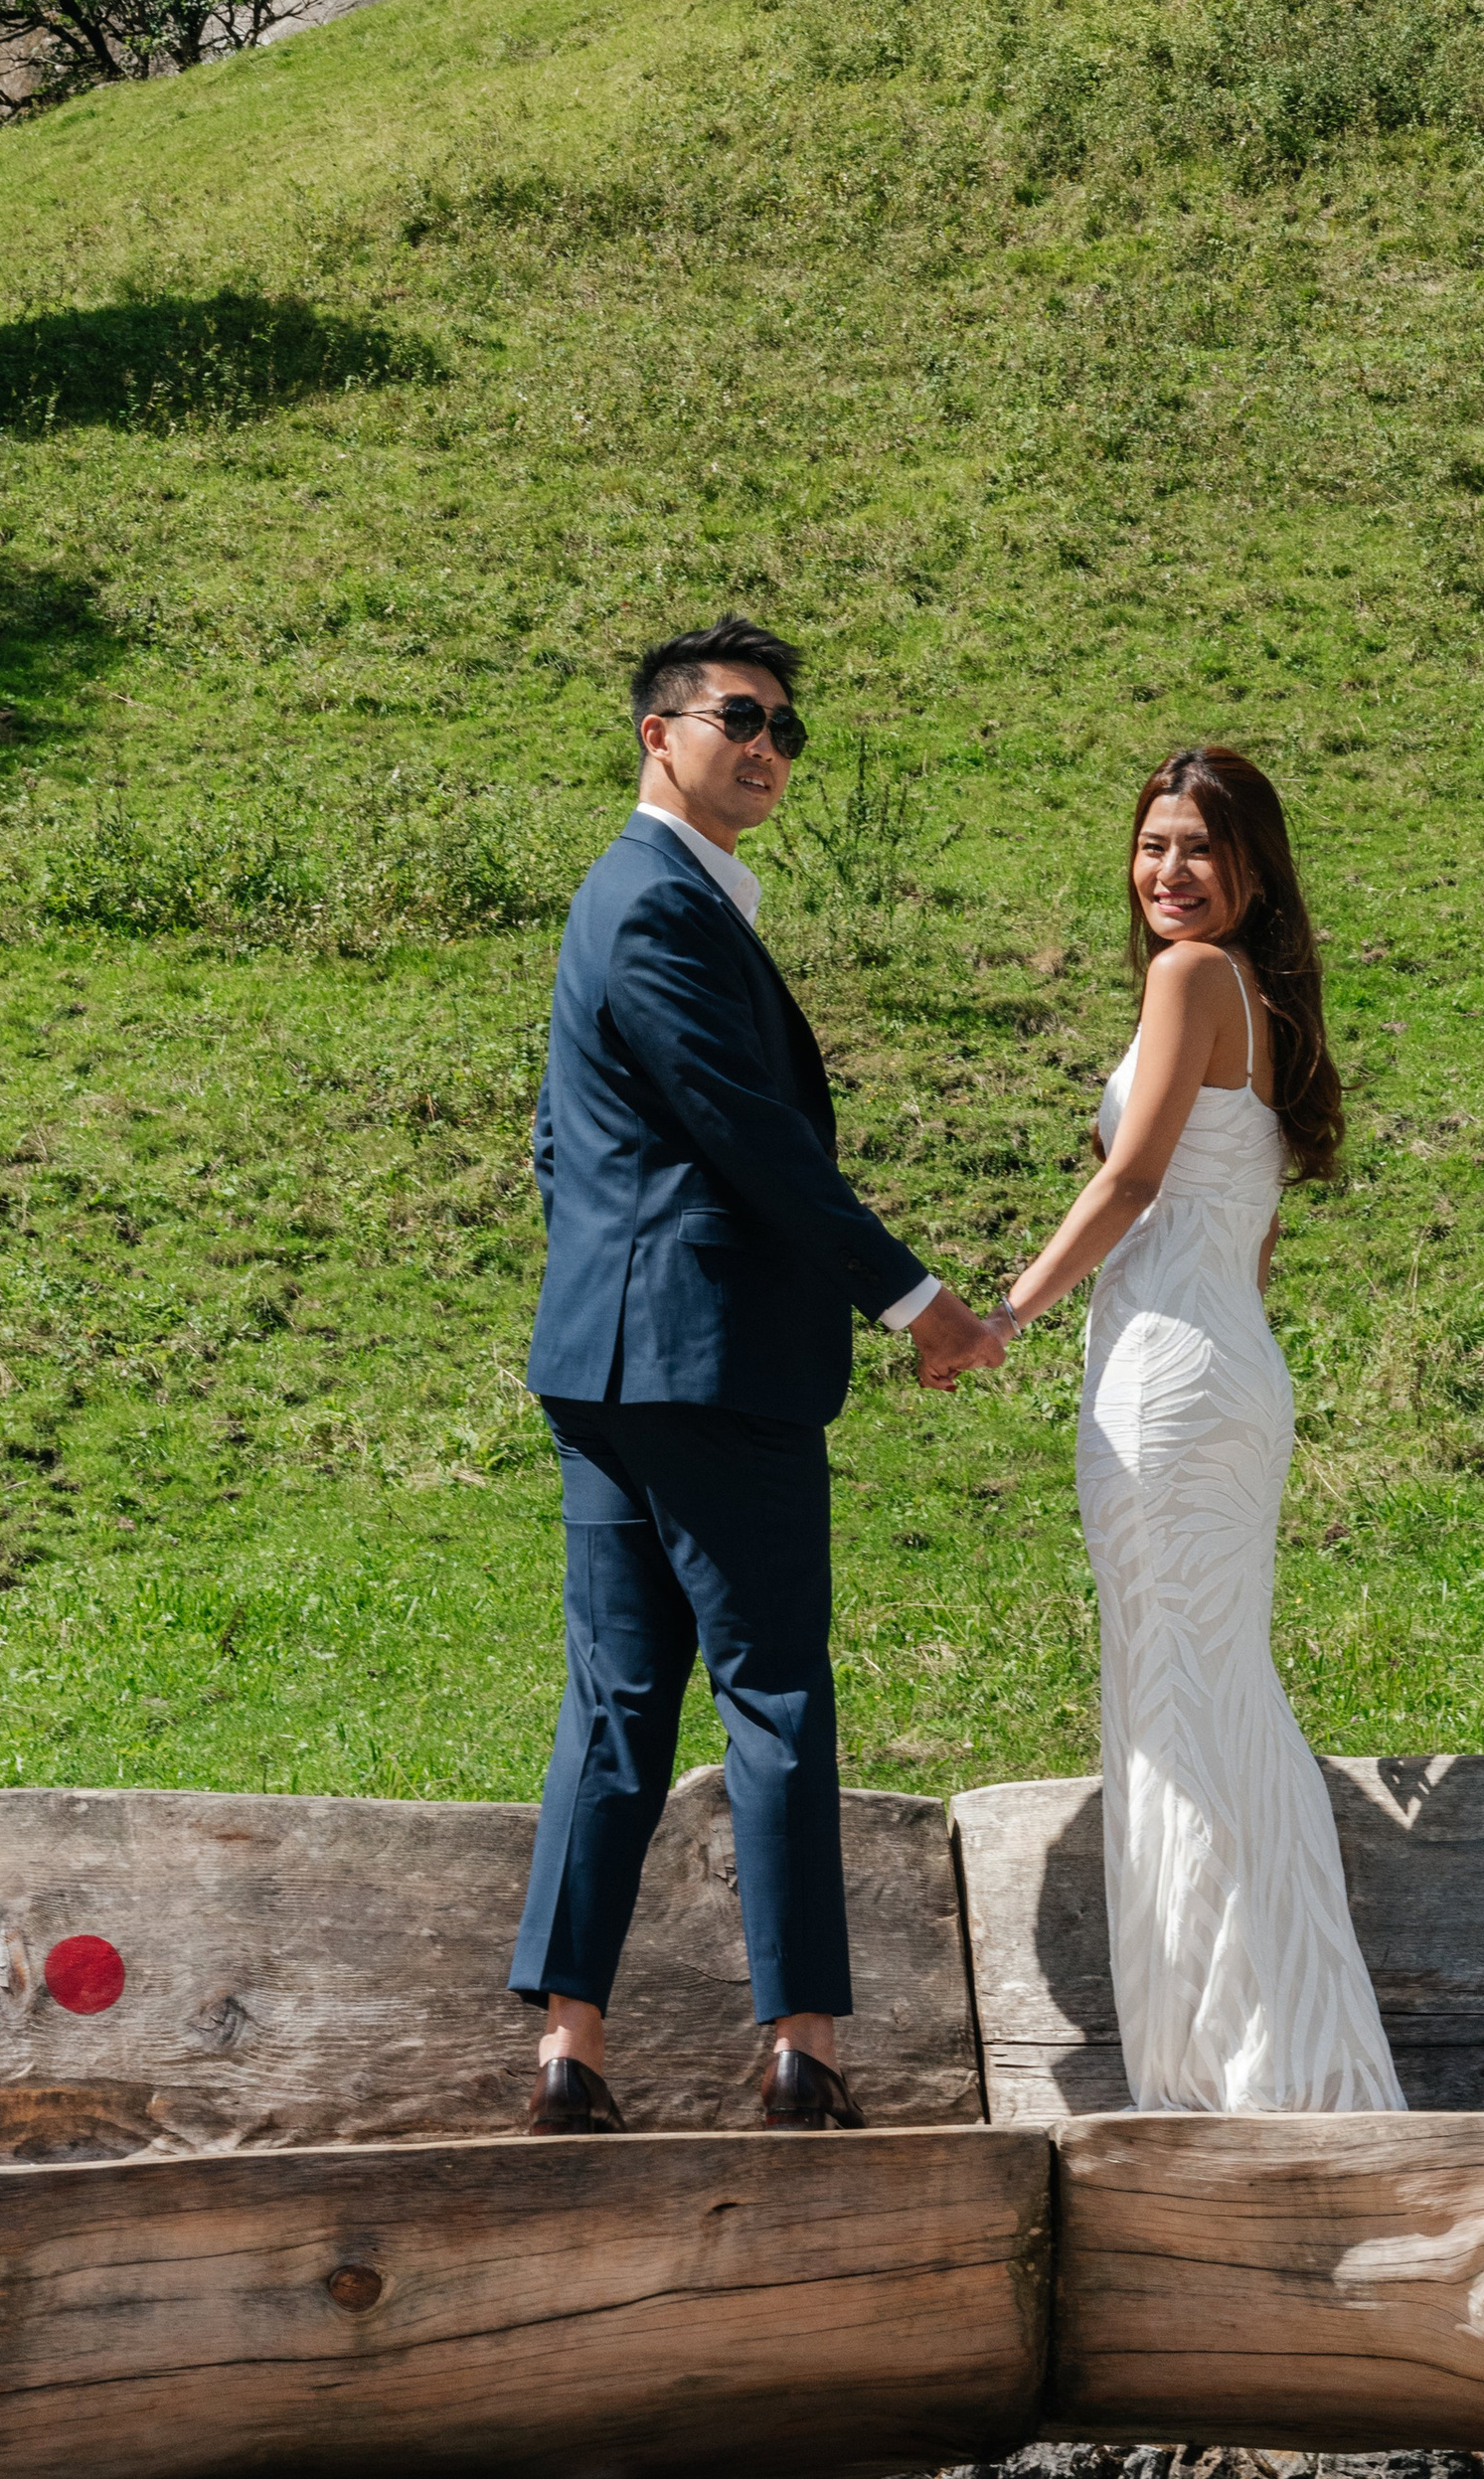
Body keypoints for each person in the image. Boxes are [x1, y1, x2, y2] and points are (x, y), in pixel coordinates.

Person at [508, 614, 1000, 2136]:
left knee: (615, 1702)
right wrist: (914, 1297)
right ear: (659, 732)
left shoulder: (635, 898)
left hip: (609, 1362)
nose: (771, 744)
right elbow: (751, 1133)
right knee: (773, 1695)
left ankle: (572, 2047)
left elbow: (556, 1146)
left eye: (790, 726)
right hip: (709, 1366)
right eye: (741, 714)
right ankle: (803, 2048)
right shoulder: (656, 899)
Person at [992, 744, 1402, 2114]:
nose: (1169, 872)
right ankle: (1291, 2049)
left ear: (1251, 868)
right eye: (1153, 844)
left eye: (1200, 849)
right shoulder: (1272, 1009)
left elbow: (1131, 1178)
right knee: (1224, 1699)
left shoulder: (1187, 981)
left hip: (1166, 1378)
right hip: (1234, 1370)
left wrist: (1008, 1310)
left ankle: (1221, 2072)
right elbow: (1257, 1236)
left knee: (1175, 1710)